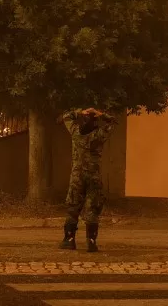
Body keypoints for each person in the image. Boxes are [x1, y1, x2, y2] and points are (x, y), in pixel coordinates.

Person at [59, 107, 117, 252]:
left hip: (77, 176)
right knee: (92, 209)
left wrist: (79, 112)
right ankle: (91, 241)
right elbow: (113, 122)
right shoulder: (99, 135)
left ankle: (69, 240)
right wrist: (101, 114)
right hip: (93, 176)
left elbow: (66, 117)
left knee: (73, 208)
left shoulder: (75, 133)